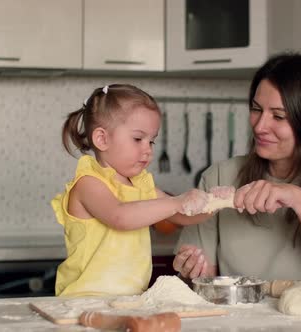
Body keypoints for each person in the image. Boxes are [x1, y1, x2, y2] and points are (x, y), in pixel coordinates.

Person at [173, 54, 301, 289]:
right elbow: (202, 282)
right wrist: (191, 271)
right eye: (256, 109)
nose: (260, 126)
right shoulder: (220, 177)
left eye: (279, 116)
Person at [52, 84, 213, 297]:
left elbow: (182, 215)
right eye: (138, 139)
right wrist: (178, 201)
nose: (148, 149)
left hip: (128, 301)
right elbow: (120, 216)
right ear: (102, 139)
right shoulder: (88, 183)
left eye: (152, 141)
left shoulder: (140, 184)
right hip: (83, 300)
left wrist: (219, 201)